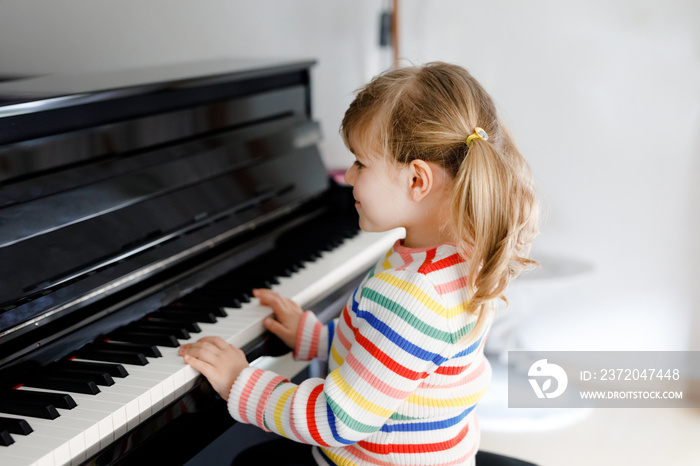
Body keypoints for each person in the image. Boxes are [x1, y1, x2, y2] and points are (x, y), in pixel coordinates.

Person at [178, 62, 539, 466]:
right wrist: (313, 337)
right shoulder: (452, 254)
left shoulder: (415, 294)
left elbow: (337, 420)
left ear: (418, 181)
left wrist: (237, 383)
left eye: (361, 163)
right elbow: (385, 356)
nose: (347, 175)